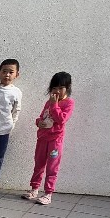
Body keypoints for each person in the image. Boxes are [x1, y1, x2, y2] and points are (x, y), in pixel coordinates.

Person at [24, 71, 74, 206]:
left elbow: (62, 119)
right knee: (38, 164)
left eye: (61, 88)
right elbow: (42, 117)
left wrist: (54, 105)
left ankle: (48, 193)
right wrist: (38, 122)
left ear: (67, 88)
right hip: (42, 138)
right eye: (54, 88)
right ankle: (34, 189)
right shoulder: (48, 102)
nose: (57, 91)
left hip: (55, 141)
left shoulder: (69, 103)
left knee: (52, 167)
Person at [0, 59, 23, 194]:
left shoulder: (16, 92)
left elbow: (16, 110)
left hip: (4, 130)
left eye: (11, 72)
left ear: (16, 75)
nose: (7, 75)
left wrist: (12, 124)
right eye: (4, 71)